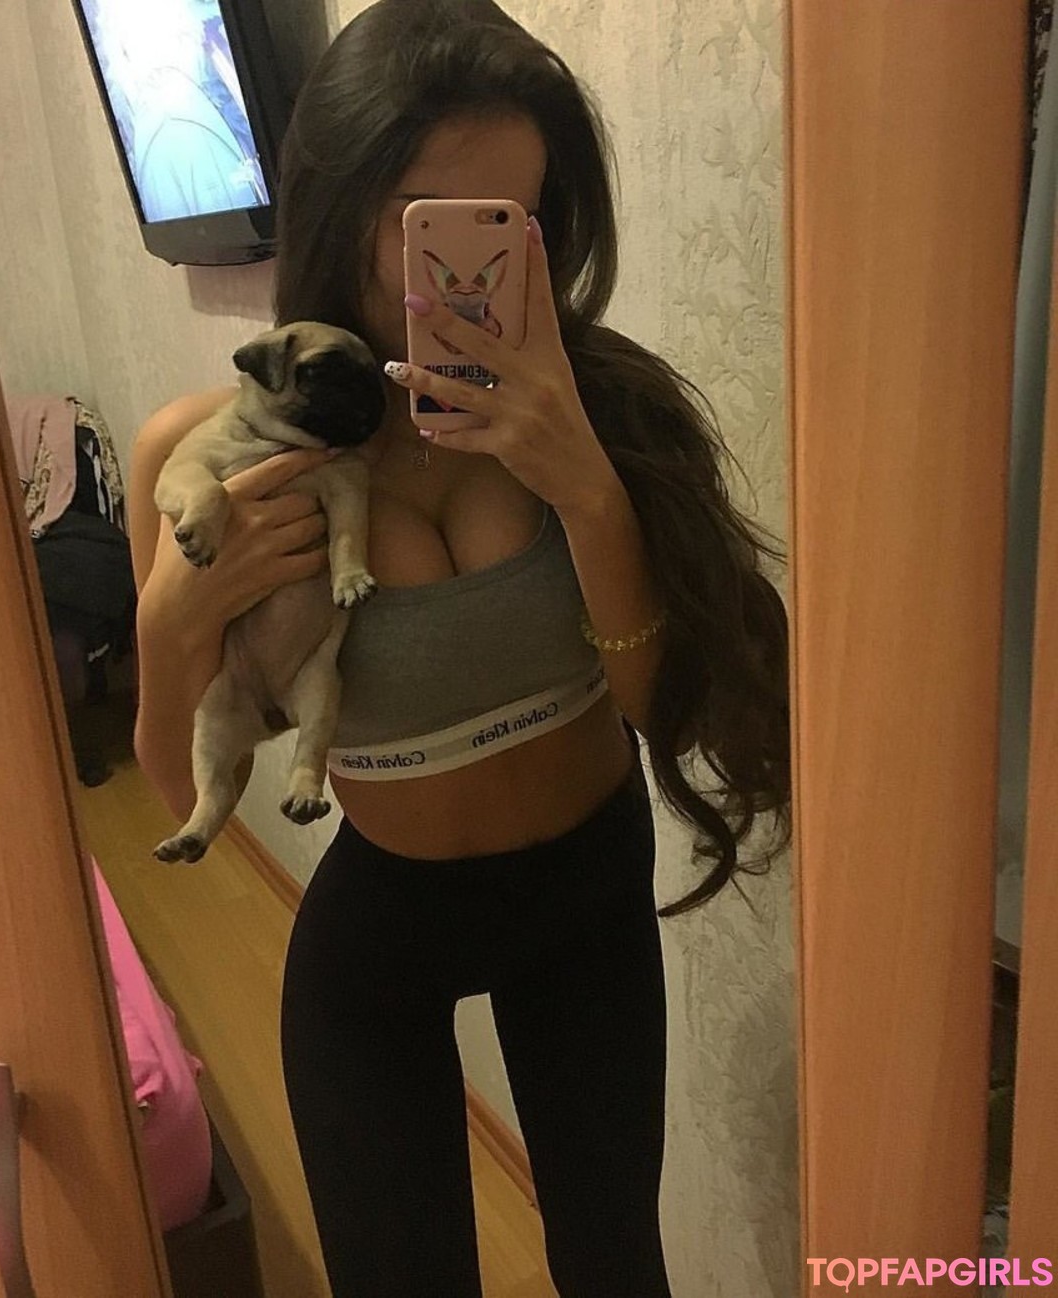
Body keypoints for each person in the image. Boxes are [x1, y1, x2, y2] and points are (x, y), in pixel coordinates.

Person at [127, 1, 791, 1294]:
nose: (470, 273)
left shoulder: (594, 409)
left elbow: (657, 709)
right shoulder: (215, 453)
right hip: (386, 927)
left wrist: (586, 487)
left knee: (618, 1266)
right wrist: (170, 623)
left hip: (588, 895)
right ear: (341, 209)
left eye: (512, 225)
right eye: (432, 223)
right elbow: (168, 782)